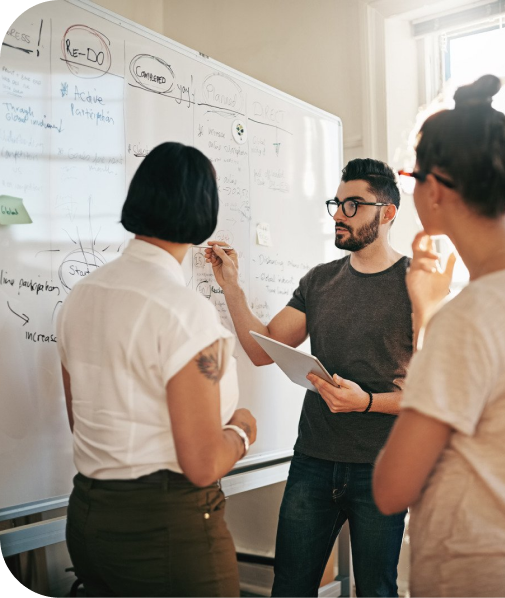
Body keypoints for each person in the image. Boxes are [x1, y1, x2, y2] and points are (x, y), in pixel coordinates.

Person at [372, 75, 505, 597]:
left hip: (478, 575)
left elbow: (392, 488)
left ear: (437, 189)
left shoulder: (471, 317)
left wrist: (430, 320)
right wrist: (428, 311)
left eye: (411, 178)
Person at [57, 142, 257, 598]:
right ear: (204, 212)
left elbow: (79, 422)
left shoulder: (80, 296)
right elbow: (203, 465)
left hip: (87, 521)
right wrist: (244, 430)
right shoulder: (185, 312)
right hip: (165, 532)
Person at [205, 158, 412, 598]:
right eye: (337, 203)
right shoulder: (319, 281)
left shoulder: (418, 284)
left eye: (353, 205)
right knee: (290, 588)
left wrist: (367, 402)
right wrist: (232, 288)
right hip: (313, 462)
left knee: (376, 591)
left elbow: (437, 393)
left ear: (387, 213)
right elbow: (263, 350)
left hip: (382, 468)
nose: (339, 214)